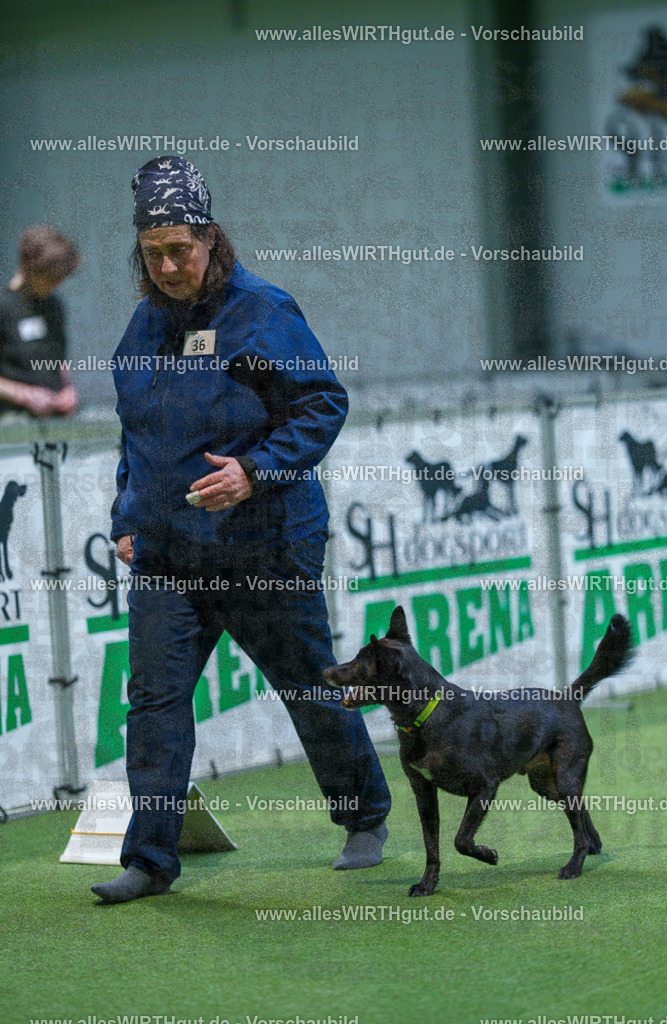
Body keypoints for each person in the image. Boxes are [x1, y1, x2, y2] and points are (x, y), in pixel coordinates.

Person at [91, 156, 391, 904]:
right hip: (169, 556)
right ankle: (150, 860)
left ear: (210, 240)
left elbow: (322, 404)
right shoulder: (143, 327)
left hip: (266, 543)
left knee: (307, 685)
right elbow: (139, 440)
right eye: (152, 251)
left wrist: (253, 472)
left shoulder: (261, 310)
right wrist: (128, 518)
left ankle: (364, 815)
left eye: (179, 250)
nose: (166, 265)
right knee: (154, 702)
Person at [0, 225, 79, 417]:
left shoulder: (54, 305)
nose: (57, 283)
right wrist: (24, 395)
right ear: (29, 268)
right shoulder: (4, 306)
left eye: (61, 278)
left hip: (53, 417)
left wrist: (68, 390)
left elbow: (59, 360)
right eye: (51, 277)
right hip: (12, 419)